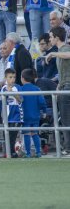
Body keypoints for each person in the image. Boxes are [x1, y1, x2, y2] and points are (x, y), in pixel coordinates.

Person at [46, 26, 70, 155]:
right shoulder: (61, 50)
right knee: (65, 120)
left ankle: (68, 148)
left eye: (51, 37)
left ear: (56, 37)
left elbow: (68, 54)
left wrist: (52, 53)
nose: (50, 39)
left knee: (66, 120)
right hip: (63, 87)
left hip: (67, 87)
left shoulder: (64, 48)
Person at [21, 68, 47, 158]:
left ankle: (28, 153)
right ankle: (38, 152)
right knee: (35, 133)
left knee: (27, 134)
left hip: (25, 116)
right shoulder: (37, 89)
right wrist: (44, 111)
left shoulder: (21, 89)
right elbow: (42, 102)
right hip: (36, 115)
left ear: (23, 78)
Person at [0, 68, 23, 158]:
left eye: (14, 77)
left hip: (16, 115)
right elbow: (2, 100)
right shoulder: (3, 88)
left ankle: (12, 152)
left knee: (13, 135)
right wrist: (6, 93)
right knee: (6, 135)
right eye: (10, 77)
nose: (12, 79)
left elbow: (21, 99)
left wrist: (13, 93)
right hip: (6, 115)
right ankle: (7, 153)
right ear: (6, 78)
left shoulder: (17, 87)